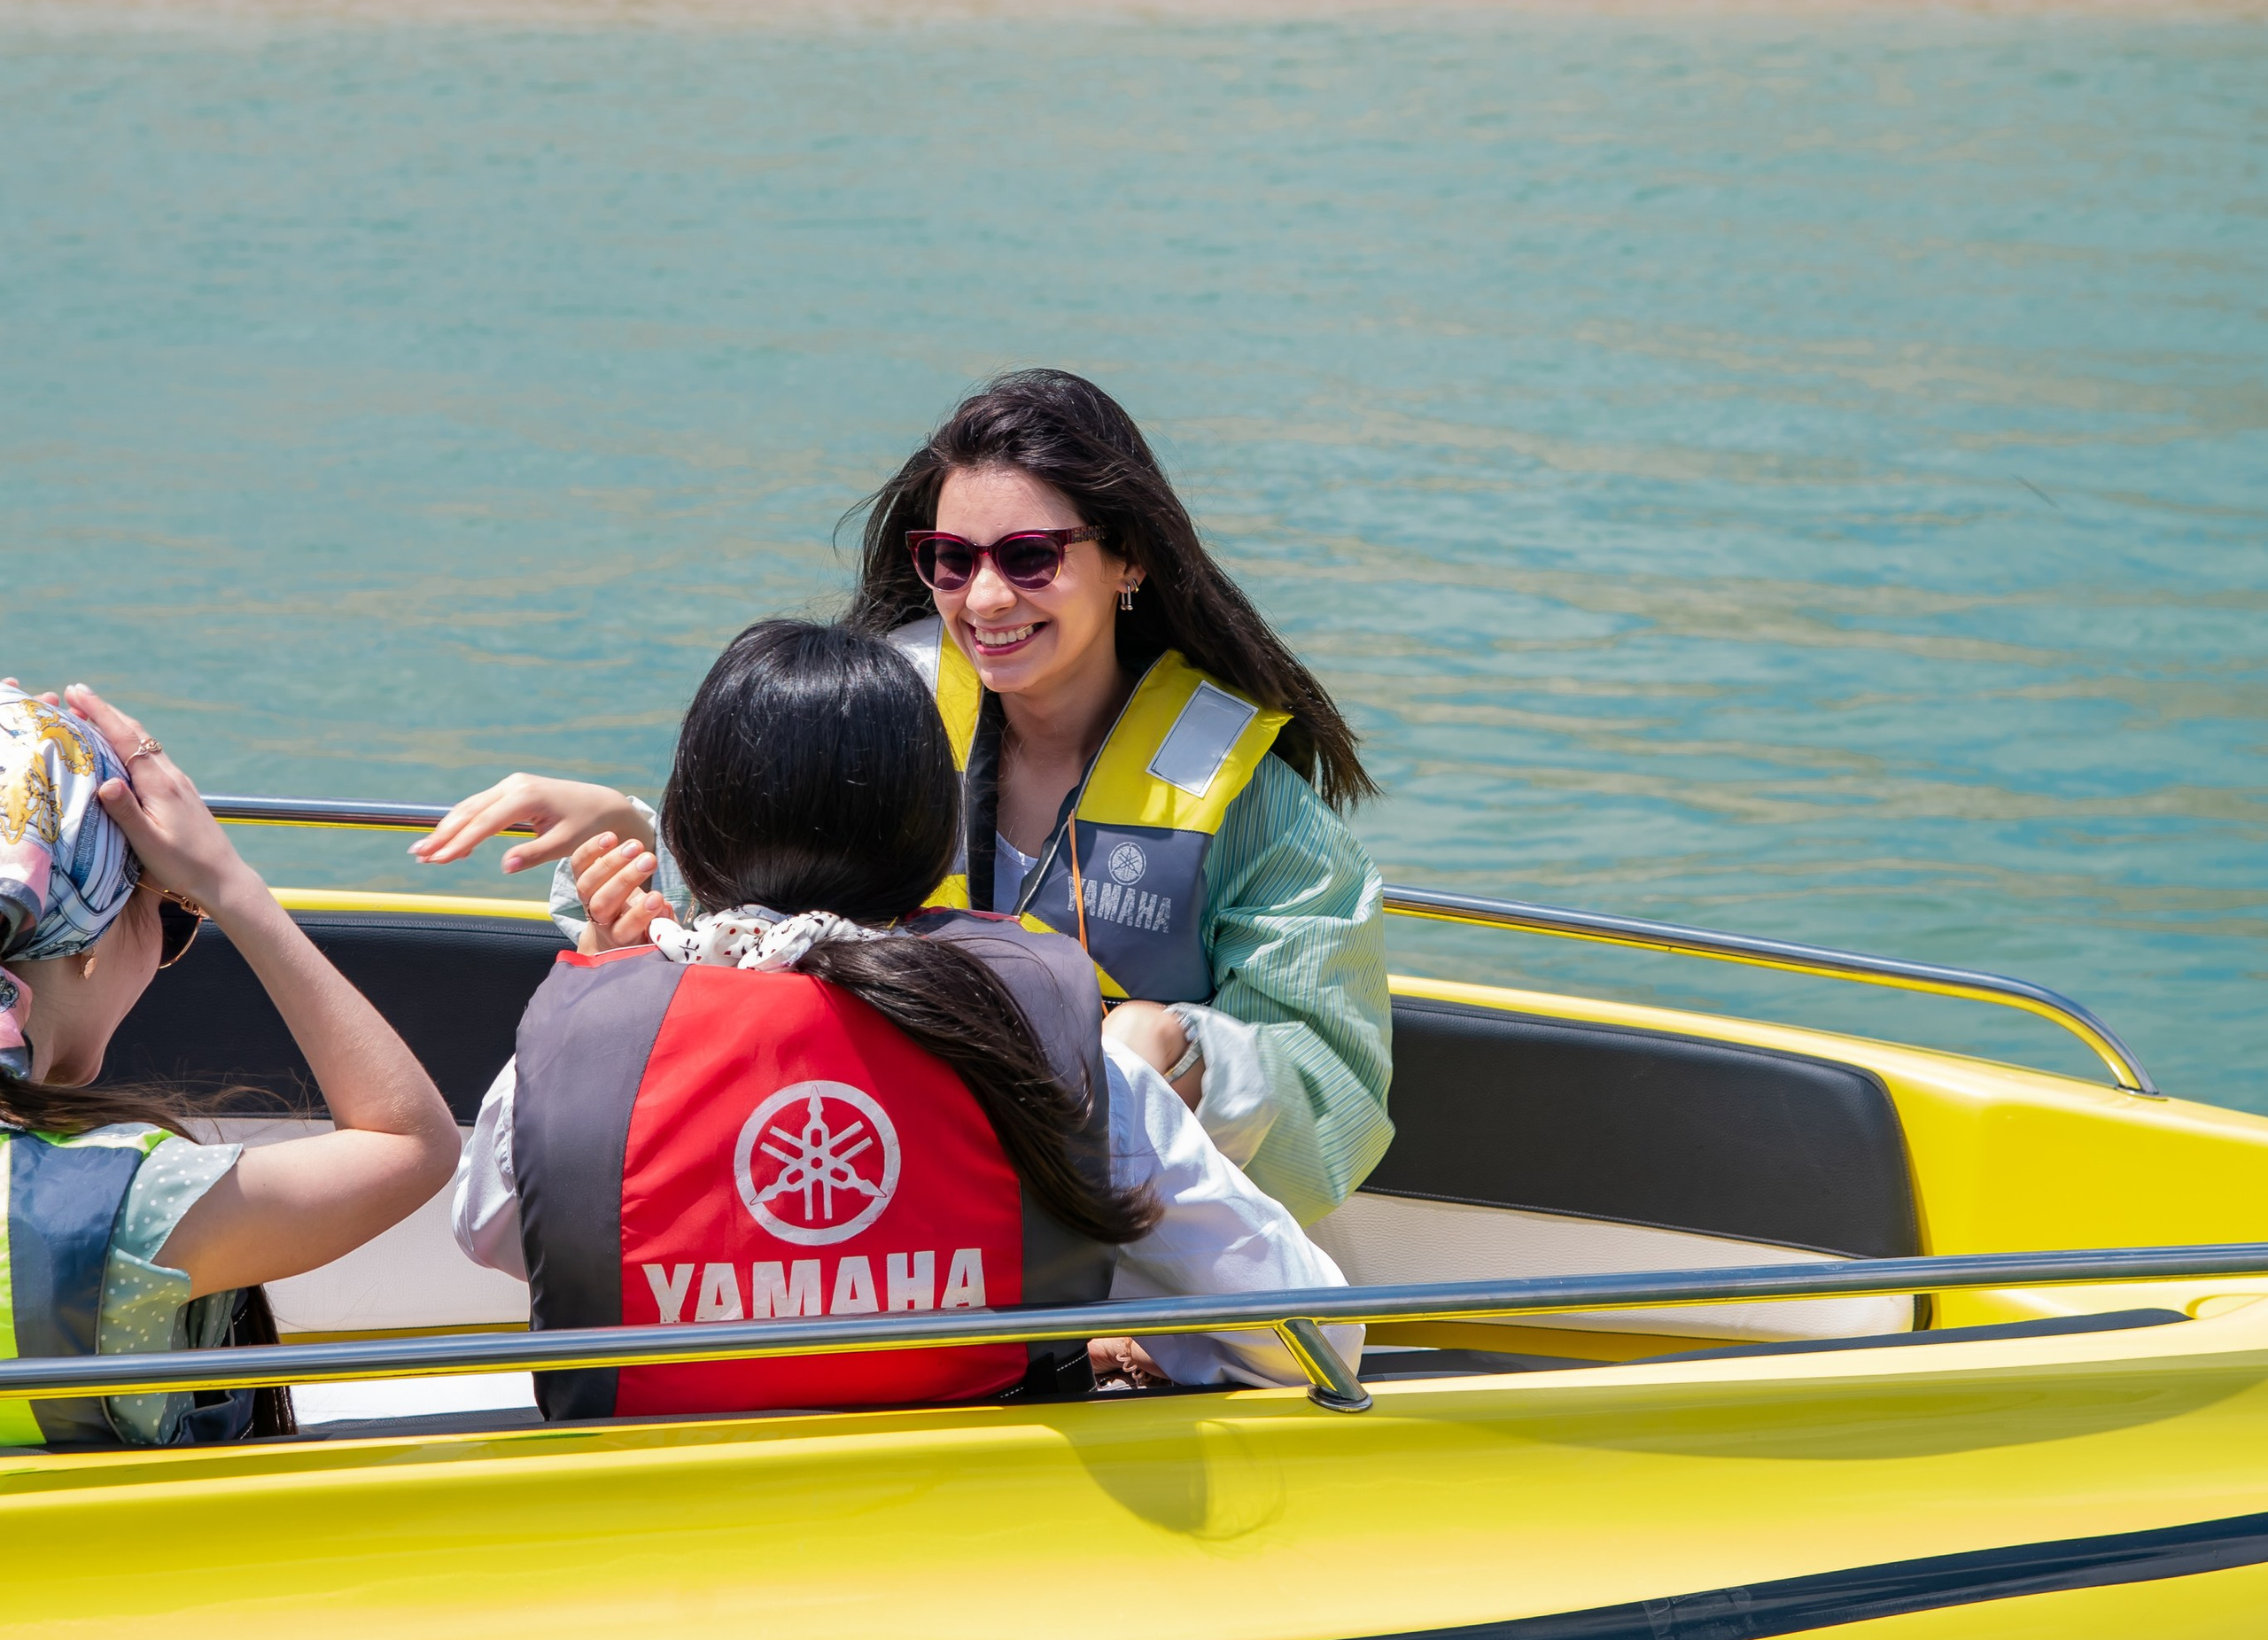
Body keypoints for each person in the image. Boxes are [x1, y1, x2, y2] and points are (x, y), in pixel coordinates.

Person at [417, 371, 1391, 1227]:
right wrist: (629, 828)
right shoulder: (882, 713)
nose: (986, 598)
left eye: (1030, 556)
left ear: (1128, 557)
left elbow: (1335, 1092)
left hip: (1121, 1234)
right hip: (888, 1204)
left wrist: (1186, 1054)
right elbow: (749, 906)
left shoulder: (1247, 802)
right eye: (952, 560)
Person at [451, 619, 1358, 1413]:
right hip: (982, 1522)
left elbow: (498, 1232)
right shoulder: (1057, 1055)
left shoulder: (577, 1057)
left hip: (655, 1525)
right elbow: (1314, 1331)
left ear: (686, 833)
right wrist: (1152, 1332)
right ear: (933, 844)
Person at [0, 682, 462, 1449]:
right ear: (83, 943)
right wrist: (228, 883)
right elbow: (414, 1142)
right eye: (172, 911)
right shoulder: (123, 1203)